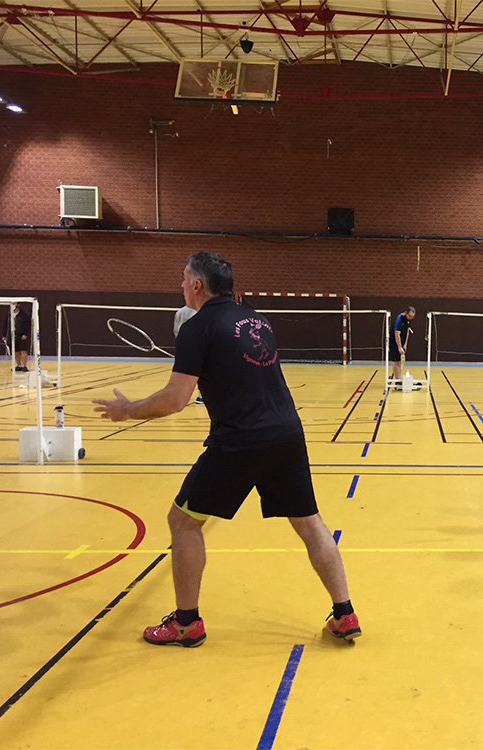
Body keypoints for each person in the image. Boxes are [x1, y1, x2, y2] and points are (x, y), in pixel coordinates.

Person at [92, 252, 360, 647]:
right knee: (309, 522)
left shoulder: (197, 327)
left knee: (183, 521)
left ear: (197, 285)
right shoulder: (256, 319)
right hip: (287, 433)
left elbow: (175, 400)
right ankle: (344, 613)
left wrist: (128, 409)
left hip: (240, 439)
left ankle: (187, 623)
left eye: (184, 279)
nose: (181, 285)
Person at [174, 304, 203, 404]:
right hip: (199, 346)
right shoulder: (203, 312)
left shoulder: (180, 312)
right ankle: (201, 396)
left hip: (184, 346)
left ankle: (180, 397)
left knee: (183, 373)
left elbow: (176, 331)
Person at [389, 305, 416, 381]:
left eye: (412, 317)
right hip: (395, 342)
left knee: (400, 361)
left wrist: (405, 344)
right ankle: (397, 380)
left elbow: (407, 331)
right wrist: (399, 347)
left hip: (402, 342)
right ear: (406, 313)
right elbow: (397, 334)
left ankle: (399, 379)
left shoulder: (407, 320)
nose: (410, 318)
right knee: (396, 361)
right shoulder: (399, 319)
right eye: (410, 316)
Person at [3, 302, 31, 372]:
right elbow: (6, 324)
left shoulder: (24, 315)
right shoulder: (9, 314)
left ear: (18, 305)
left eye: (15, 304)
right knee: (15, 351)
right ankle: (18, 365)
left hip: (21, 335)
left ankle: (24, 366)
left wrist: (25, 334)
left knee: (23, 350)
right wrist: (4, 335)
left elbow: (28, 325)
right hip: (12, 335)